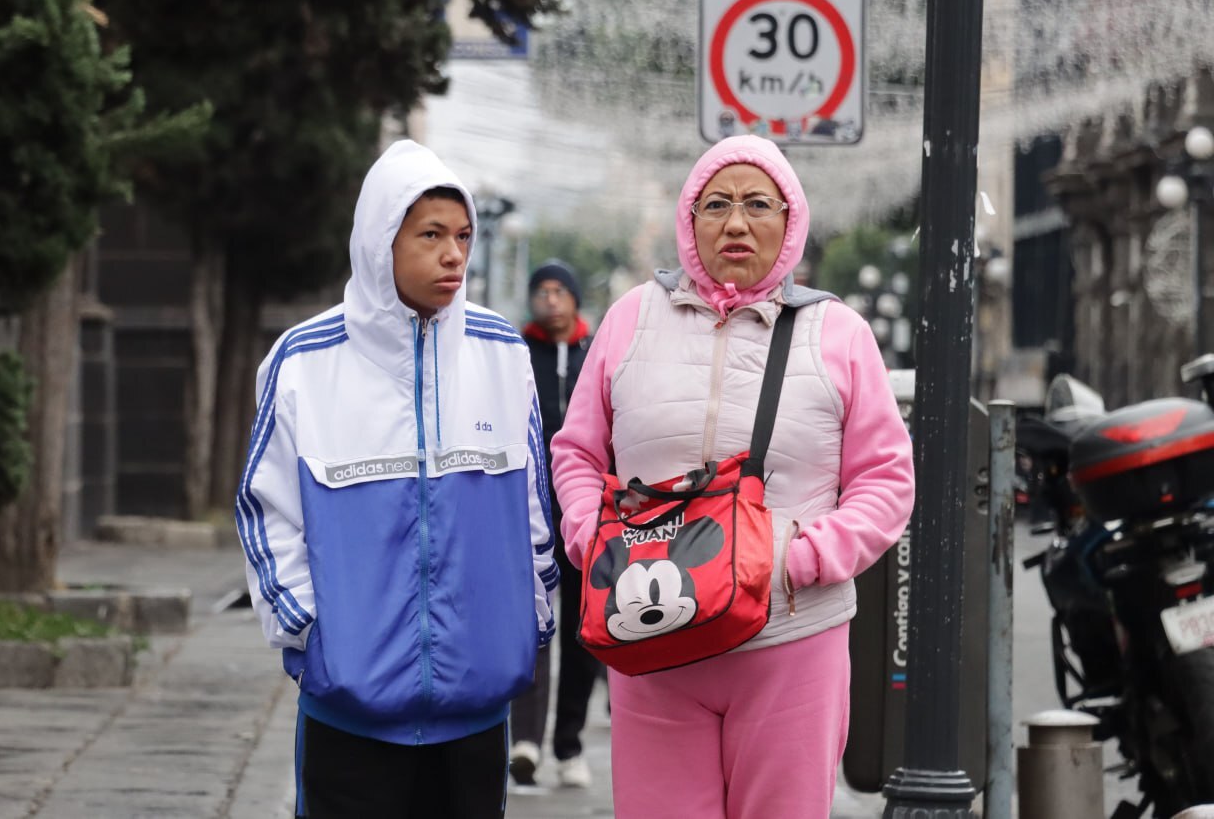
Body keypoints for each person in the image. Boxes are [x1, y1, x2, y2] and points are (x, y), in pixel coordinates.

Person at [549, 134, 915, 819]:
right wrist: (588, 536)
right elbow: (575, 451)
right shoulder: (631, 319)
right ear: (688, 222)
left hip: (790, 637)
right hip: (651, 630)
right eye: (715, 204)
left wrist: (799, 559)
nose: (736, 223)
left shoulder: (836, 332)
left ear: (791, 218)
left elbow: (886, 479)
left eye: (758, 204)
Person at [235, 139, 559, 819]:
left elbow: (534, 508)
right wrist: (309, 632)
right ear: (381, 239)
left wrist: (526, 621)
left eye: (464, 236)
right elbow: (266, 510)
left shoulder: (502, 354)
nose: (453, 254)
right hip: (350, 712)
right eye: (431, 234)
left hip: (476, 713)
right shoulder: (303, 362)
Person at [508, 260, 602, 790]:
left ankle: (570, 745)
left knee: (583, 635)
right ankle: (525, 740)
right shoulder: (516, 353)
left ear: (574, 298)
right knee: (530, 625)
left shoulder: (595, 353)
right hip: (531, 515)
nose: (549, 300)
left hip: (587, 517)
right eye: (540, 291)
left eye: (558, 290)